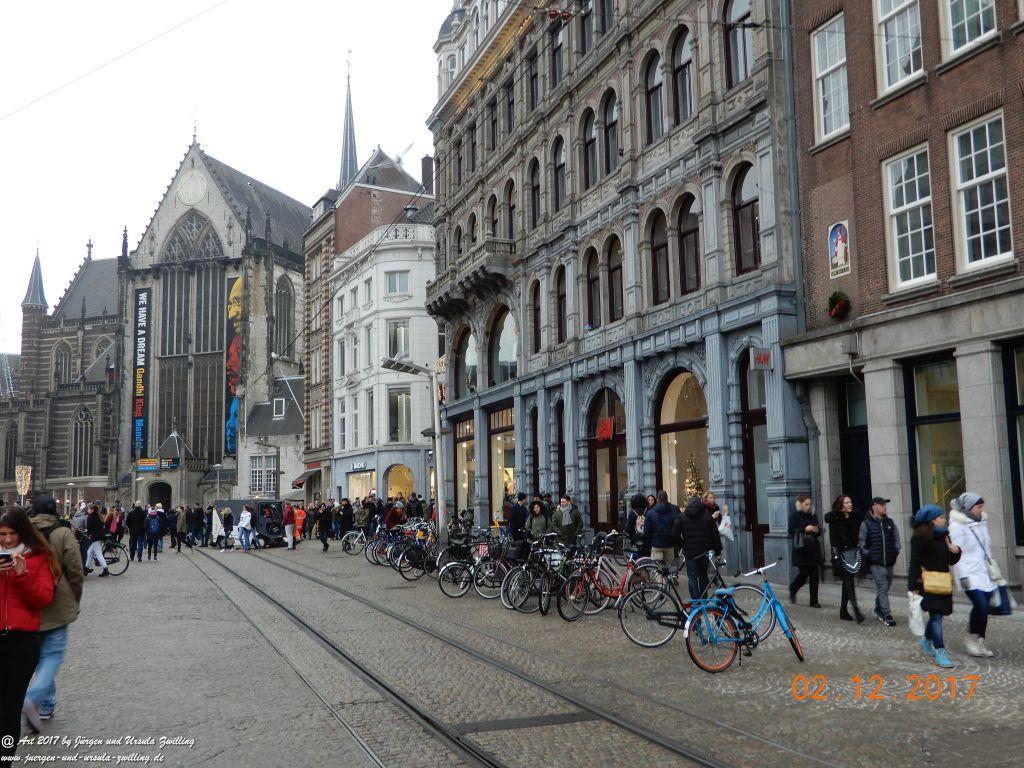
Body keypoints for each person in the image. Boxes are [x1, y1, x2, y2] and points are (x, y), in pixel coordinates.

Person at [0, 508, 57, 760]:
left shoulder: (38, 556)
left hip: (21, 643)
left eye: (12, 533)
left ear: (23, 532)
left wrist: (22, 576)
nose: (7, 539)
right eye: (2, 534)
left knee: (9, 710)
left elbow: (43, 599)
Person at [23, 496, 83, 731]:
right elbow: (75, 570)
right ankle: (34, 698)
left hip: (29, 602)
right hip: (57, 602)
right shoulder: (63, 533)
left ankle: (46, 704)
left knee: (40, 657)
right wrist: (75, 597)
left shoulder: (24, 532)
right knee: (53, 655)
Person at [908, 505, 961, 668]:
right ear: (931, 520)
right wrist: (912, 585)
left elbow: (951, 560)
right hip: (927, 582)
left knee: (938, 615)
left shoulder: (945, 535)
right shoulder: (920, 537)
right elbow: (915, 562)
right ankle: (940, 650)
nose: (944, 520)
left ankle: (926, 640)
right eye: (941, 517)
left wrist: (956, 551)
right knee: (936, 616)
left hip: (943, 581)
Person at [949, 492, 996, 658]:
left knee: (985, 606)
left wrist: (992, 569)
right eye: (979, 506)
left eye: (982, 506)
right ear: (969, 508)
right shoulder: (957, 526)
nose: (982, 509)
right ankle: (971, 638)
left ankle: (980, 640)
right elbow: (957, 552)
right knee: (980, 604)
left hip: (983, 571)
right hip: (968, 572)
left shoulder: (981, 522)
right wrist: (962, 576)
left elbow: (986, 548)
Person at [859, 496, 901, 626]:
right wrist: (870, 554)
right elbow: (862, 542)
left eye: (885, 505)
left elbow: (896, 539)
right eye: (882, 505)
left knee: (885, 587)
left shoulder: (890, 523)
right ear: (874, 506)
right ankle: (887, 614)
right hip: (876, 562)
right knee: (882, 587)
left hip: (889, 561)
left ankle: (878, 609)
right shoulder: (866, 524)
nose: (884, 507)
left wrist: (895, 551)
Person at [825, 494, 864, 622]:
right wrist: (836, 557)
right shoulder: (835, 519)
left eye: (850, 502)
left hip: (853, 553)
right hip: (841, 554)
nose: (850, 504)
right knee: (849, 581)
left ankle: (843, 610)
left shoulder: (853, 517)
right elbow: (833, 540)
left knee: (847, 583)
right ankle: (856, 610)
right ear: (841, 506)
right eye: (847, 502)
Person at [675, 496, 722, 600]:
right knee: (703, 576)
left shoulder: (682, 517)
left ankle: (695, 601)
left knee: (692, 577)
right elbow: (715, 536)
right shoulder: (708, 518)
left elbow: (674, 534)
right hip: (704, 552)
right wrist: (717, 551)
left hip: (689, 553)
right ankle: (703, 599)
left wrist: (682, 544)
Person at [788, 493, 822, 607]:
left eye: (809, 504)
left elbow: (818, 530)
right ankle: (793, 588)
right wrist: (805, 529)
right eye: (806, 504)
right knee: (803, 575)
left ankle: (814, 601)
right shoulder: (795, 515)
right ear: (800, 504)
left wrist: (817, 530)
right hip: (801, 549)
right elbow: (791, 531)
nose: (808, 506)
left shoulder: (812, 515)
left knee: (815, 577)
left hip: (813, 548)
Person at [643, 490, 680, 566]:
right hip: (669, 544)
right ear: (667, 498)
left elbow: (646, 531)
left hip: (656, 544)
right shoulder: (673, 511)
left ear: (657, 499)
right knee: (668, 567)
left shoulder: (650, 513)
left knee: (656, 567)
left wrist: (649, 544)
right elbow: (677, 526)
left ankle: (659, 574)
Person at [84, 504, 109, 577]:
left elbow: (89, 527)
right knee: (89, 553)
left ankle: (105, 569)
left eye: (88, 509)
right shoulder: (97, 516)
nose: (88, 510)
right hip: (99, 537)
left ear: (92, 510)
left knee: (98, 554)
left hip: (95, 538)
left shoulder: (90, 517)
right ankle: (86, 569)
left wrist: (87, 534)